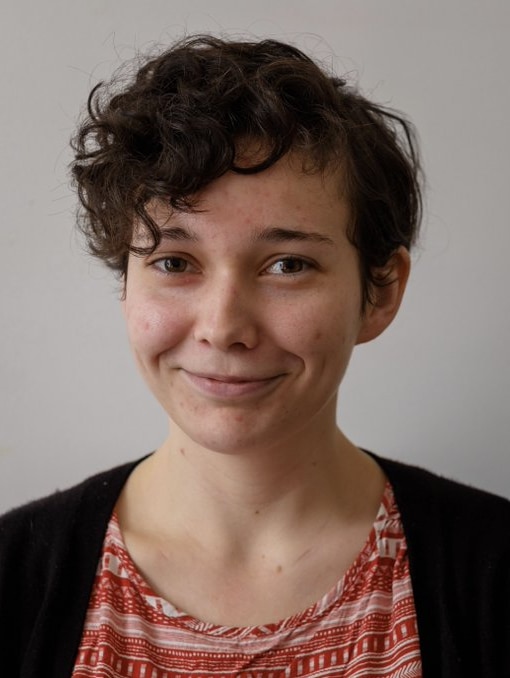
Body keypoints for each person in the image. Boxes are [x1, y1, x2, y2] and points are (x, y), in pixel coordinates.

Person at [1, 34, 509, 678]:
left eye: (287, 264)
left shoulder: (494, 570)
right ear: (127, 285)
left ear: (379, 292)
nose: (223, 328)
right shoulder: (13, 577)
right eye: (174, 262)